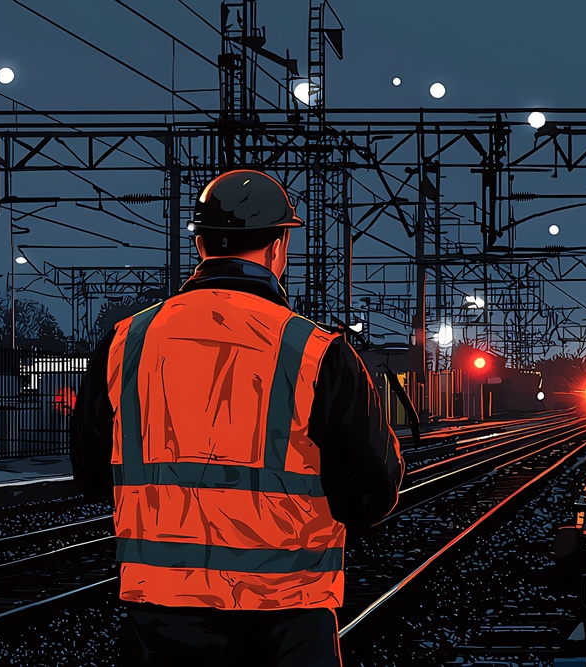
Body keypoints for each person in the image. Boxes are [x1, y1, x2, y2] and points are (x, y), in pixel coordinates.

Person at [70, 169, 404, 666]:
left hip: (162, 612)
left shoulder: (126, 342)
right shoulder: (316, 351)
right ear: (277, 247)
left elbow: (92, 475)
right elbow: (372, 489)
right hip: (288, 614)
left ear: (201, 244)